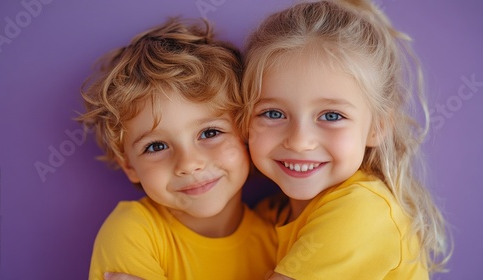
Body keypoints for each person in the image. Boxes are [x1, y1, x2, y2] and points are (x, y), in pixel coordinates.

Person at [238, 0, 452, 279]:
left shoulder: (363, 211)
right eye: (273, 113)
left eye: (331, 116)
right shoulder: (268, 215)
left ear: (377, 127)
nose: (300, 141)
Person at [78, 17, 277, 280]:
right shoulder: (134, 231)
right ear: (128, 164)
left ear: (245, 134)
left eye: (210, 133)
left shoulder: (280, 235)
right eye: (156, 146)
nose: (188, 163)